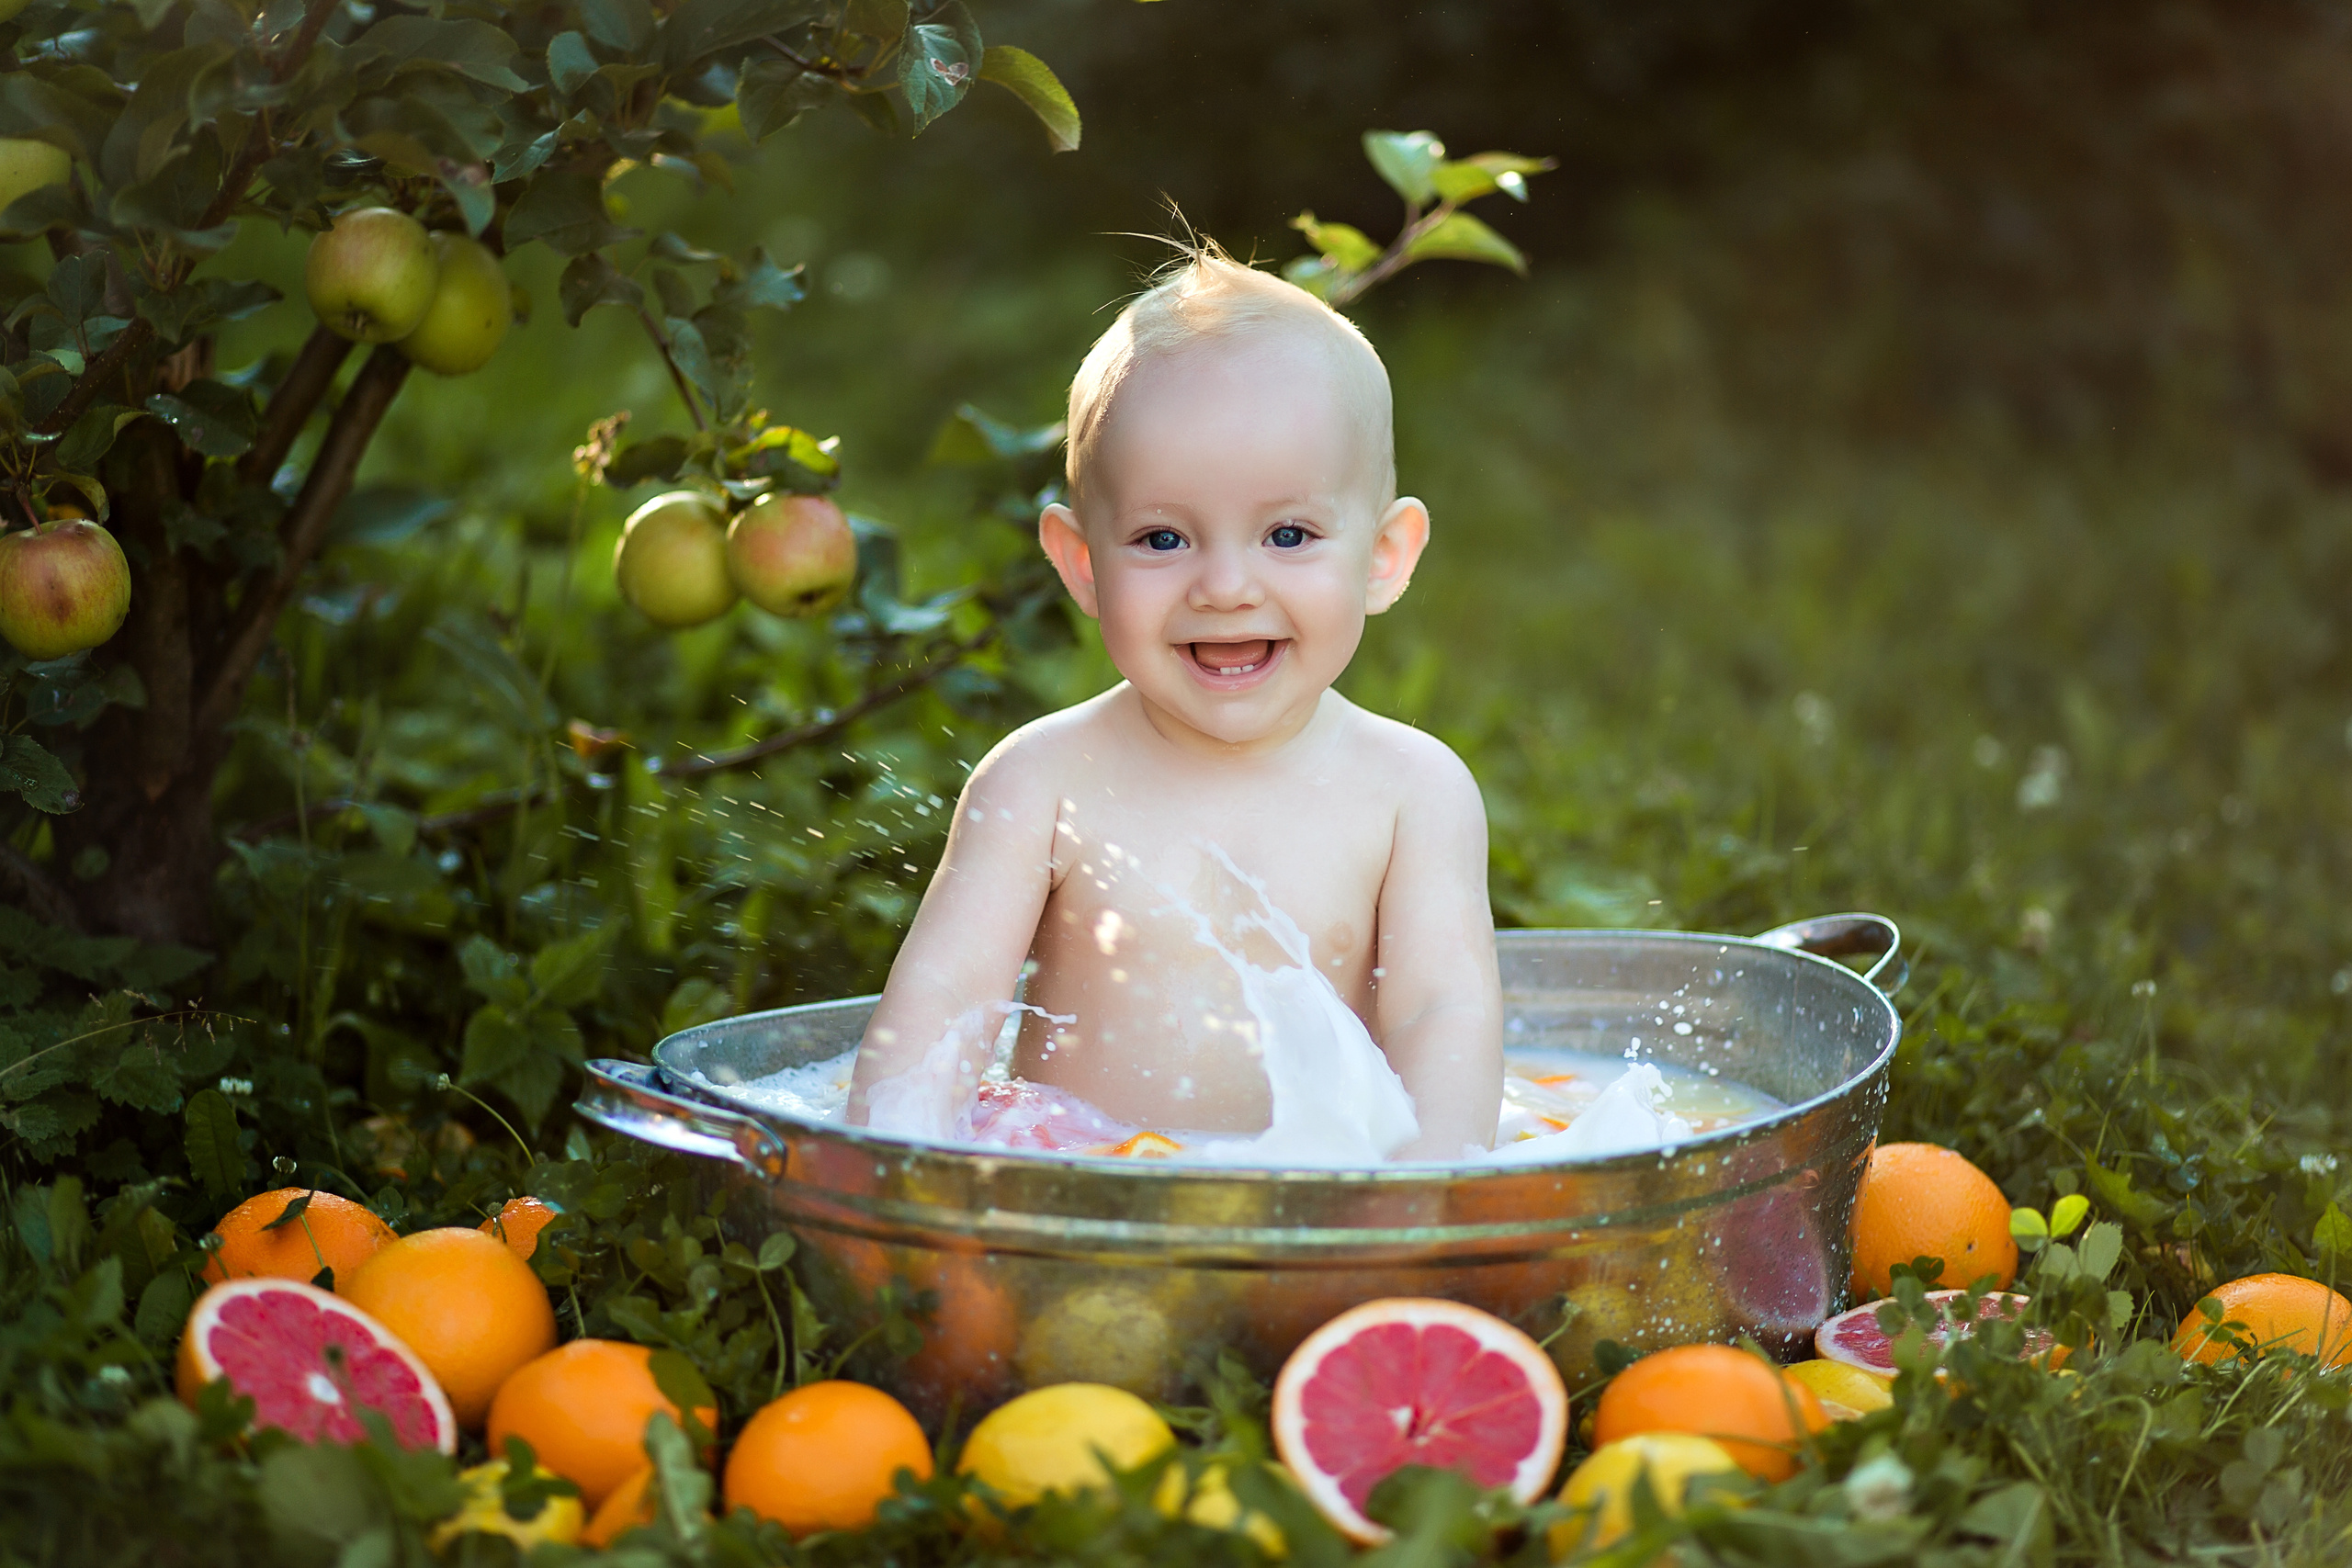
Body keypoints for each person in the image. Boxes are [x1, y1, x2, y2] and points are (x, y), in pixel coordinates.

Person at [846, 247, 1502, 1162]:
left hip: (1317, 1198)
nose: (1226, 586)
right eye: (1163, 538)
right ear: (1082, 564)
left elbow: (1442, 1011)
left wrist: (1429, 1192)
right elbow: (945, 1005)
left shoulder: (1412, 790)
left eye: (1287, 534)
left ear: (1384, 557)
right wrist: (889, 1174)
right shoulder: (1041, 781)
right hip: (1077, 1188)